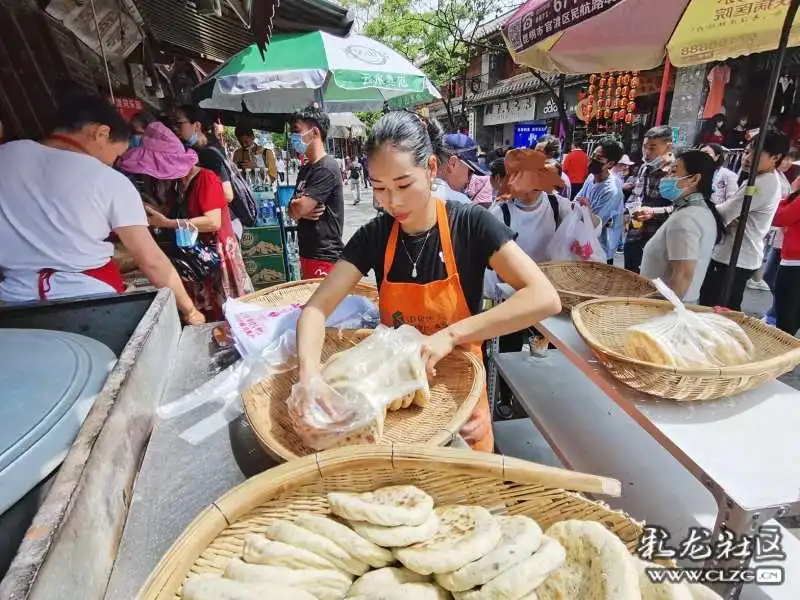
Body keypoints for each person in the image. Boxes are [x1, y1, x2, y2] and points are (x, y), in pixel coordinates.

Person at [295, 112, 561, 452]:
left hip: (462, 406)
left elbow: (544, 297)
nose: (392, 202)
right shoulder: (374, 236)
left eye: (404, 185)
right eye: (380, 188)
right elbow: (316, 309)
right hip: (398, 410)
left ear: (432, 168)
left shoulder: (470, 224)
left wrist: (451, 335)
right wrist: (310, 377)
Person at [0, 94, 204, 324]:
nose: (114, 162)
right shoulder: (108, 180)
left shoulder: (6, 156)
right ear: (101, 133)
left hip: (12, 302)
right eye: (117, 155)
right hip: (90, 302)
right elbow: (152, 261)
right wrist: (190, 311)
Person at [120, 122, 253, 320]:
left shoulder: (206, 178)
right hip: (195, 259)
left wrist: (168, 223)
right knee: (207, 311)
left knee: (226, 314)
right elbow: (175, 212)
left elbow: (213, 222)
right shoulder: (178, 184)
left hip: (215, 257)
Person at [698, 131, 789, 310]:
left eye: (755, 154)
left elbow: (725, 214)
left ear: (775, 157)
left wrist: (697, 199)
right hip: (738, 255)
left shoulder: (761, 184)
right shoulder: (761, 179)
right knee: (722, 307)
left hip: (735, 257)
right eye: (747, 152)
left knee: (716, 309)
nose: (746, 158)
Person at [483, 150, 570, 301]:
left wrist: (585, 215)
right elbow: (489, 264)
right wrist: (492, 297)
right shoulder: (499, 213)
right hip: (512, 292)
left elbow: (582, 233)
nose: (528, 194)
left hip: (549, 288)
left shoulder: (558, 206)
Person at [639, 151, 724, 302]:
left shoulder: (686, 219)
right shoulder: (698, 211)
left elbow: (682, 276)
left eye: (673, 171)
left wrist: (665, 314)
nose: (666, 178)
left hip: (666, 307)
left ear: (695, 179)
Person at [287, 105, 344, 279]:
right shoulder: (305, 169)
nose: (293, 137)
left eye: (297, 131)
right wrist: (296, 207)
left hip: (324, 256)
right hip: (307, 253)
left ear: (315, 132)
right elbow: (292, 210)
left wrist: (298, 207)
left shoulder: (326, 168)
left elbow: (301, 207)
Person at [173, 105, 241, 236]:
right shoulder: (198, 150)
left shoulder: (208, 154)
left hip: (222, 230)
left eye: (179, 123)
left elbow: (227, 194)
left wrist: (203, 213)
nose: (175, 127)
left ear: (196, 125)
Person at [624, 126, 675, 273]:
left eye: (652, 148)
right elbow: (636, 194)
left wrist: (653, 212)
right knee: (629, 272)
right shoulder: (644, 167)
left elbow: (679, 208)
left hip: (657, 235)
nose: (647, 152)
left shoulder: (675, 170)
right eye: (644, 147)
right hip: (636, 230)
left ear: (668, 146)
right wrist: (628, 211)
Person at [575, 137, 625, 264]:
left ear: (610, 164)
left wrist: (584, 209)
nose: (592, 160)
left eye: (598, 158)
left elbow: (595, 223)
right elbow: (577, 201)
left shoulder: (611, 191)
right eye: (593, 155)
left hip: (600, 248)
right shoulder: (592, 177)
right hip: (583, 241)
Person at [771, 188, 800, 334]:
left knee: (786, 318)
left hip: (794, 263)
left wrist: (787, 198)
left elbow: (780, 218)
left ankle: (786, 352)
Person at [432, 133, 489, 204]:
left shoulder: (418, 193)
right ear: (453, 164)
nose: (468, 180)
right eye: (470, 172)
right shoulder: (462, 204)